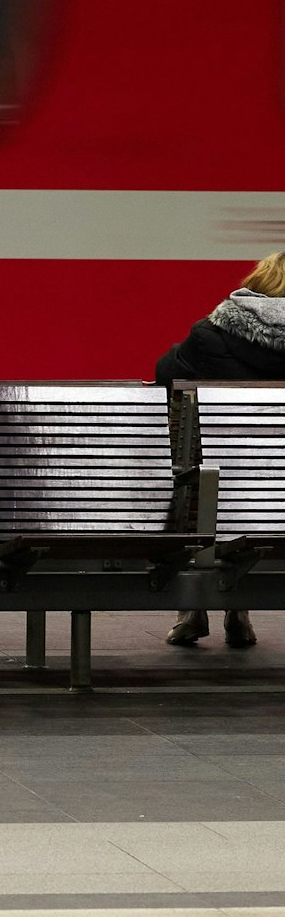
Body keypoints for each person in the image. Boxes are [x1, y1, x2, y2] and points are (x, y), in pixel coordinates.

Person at [150, 252, 285, 649]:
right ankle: (237, 611)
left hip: (220, 488)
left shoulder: (210, 335)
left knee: (197, 471)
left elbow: (164, 373)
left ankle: (194, 610)